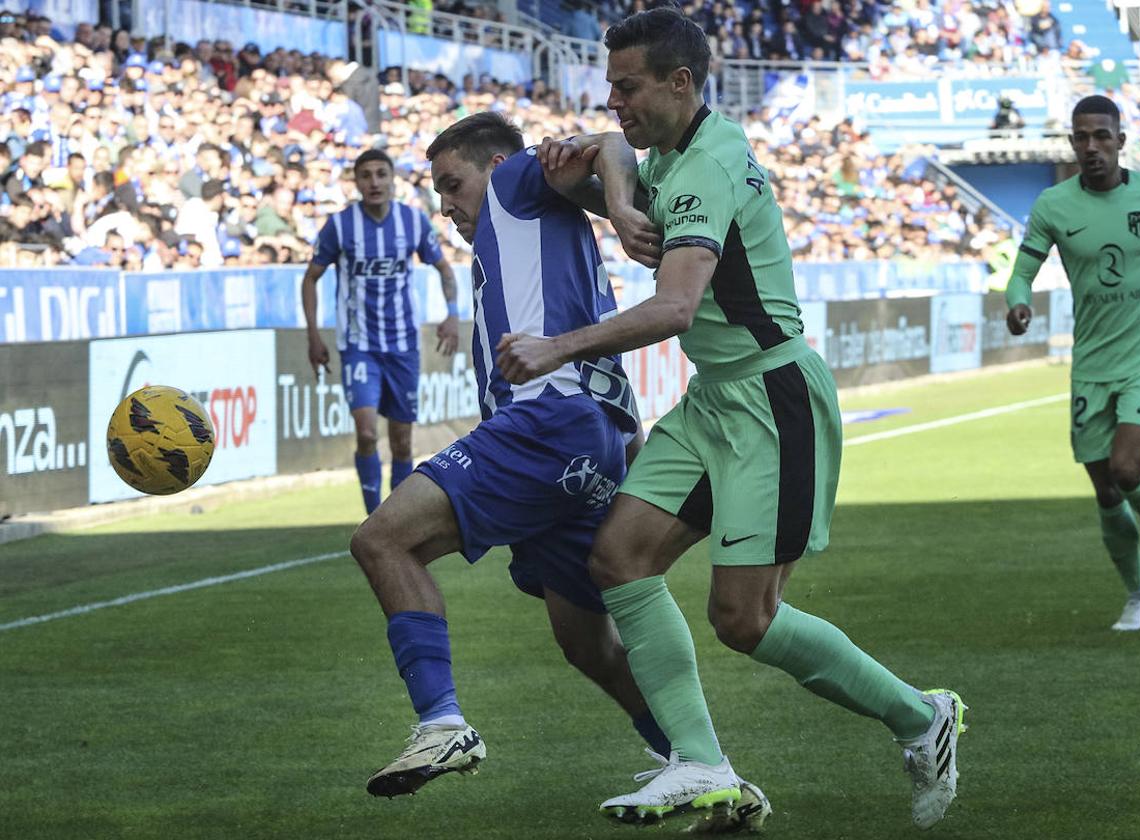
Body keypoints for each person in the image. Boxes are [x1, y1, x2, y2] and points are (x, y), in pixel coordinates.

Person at [496, 6, 965, 829]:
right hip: (715, 399)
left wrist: (555, 348)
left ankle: (921, 718)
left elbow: (676, 307)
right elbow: (607, 151)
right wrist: (612, 181)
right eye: (610, 87)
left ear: (681, 83)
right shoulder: (672, 151)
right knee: (619, 561)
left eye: (629, 87)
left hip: (772, 403)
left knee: (744, 620)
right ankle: (701, 763)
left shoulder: (709, 164)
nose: (615, 104)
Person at [346, 111, 771, 832]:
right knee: (587, 644)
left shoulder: (516, 180)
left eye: (453, 185)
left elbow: (608, 143)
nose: (445, 205)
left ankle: (442, 721)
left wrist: (622, 204)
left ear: (496, 165)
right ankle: (711, 772)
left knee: (383, 541)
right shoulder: (527, 230)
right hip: (589, 439)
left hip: (545, 425)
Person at [1005, 94, 1140, 631]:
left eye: (1101, 136)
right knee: (1106, 488)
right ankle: (1138, 595)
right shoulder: (1053, 205)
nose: (1092, 147)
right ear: (1072, 143)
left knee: (1127, 468)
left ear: (1120, 141)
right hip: (1090, 362)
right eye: (1081, 137)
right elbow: (1022, 270)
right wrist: (1016, 300)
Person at [301, 149, 459, 515]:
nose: (374, 182)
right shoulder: (339, 226)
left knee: (402, 443)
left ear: (392, 180)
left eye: (381, 174)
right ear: (356, 183)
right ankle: (375, 517)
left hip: (403, 345)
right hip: (359, 346)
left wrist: (451, 314)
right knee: (368, 433)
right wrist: (313, 334)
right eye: (366, 175)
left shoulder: (413, 222)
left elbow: (445, 271)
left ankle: (397, 518)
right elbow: (311, 278)